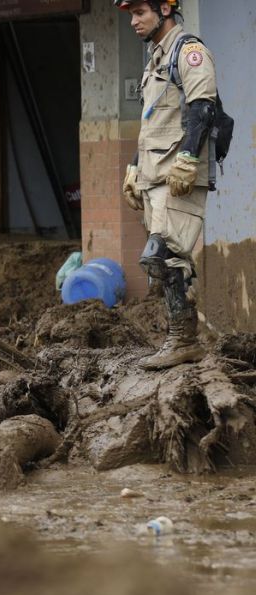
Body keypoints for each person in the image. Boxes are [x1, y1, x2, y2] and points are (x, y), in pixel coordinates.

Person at [117, 0, 218, 369]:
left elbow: (203, 107)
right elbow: (151, 122)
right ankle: (180, 339)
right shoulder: (156, 59)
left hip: (179, 176)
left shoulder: (189, 52)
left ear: (164, 8)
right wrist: (133, 168)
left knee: (163, 255)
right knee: (164, 263)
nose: (133, 22)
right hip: (155, 175)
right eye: (130, 15)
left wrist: (189, 158)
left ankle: (183, 340)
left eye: (140, 12)